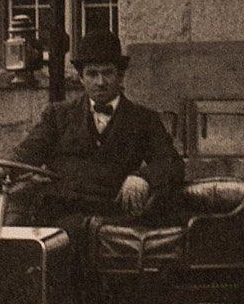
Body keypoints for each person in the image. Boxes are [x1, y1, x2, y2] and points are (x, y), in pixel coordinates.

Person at [10, 27, 185, 222]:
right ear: (81, 78)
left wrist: (142, 178)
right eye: (92, 74)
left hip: (111, 217)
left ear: (120, 76)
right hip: (60, 214)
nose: (100, 82)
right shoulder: (57, 116)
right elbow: (25, 155)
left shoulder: (143, 119)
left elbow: (171, 164)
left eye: (107, 73)